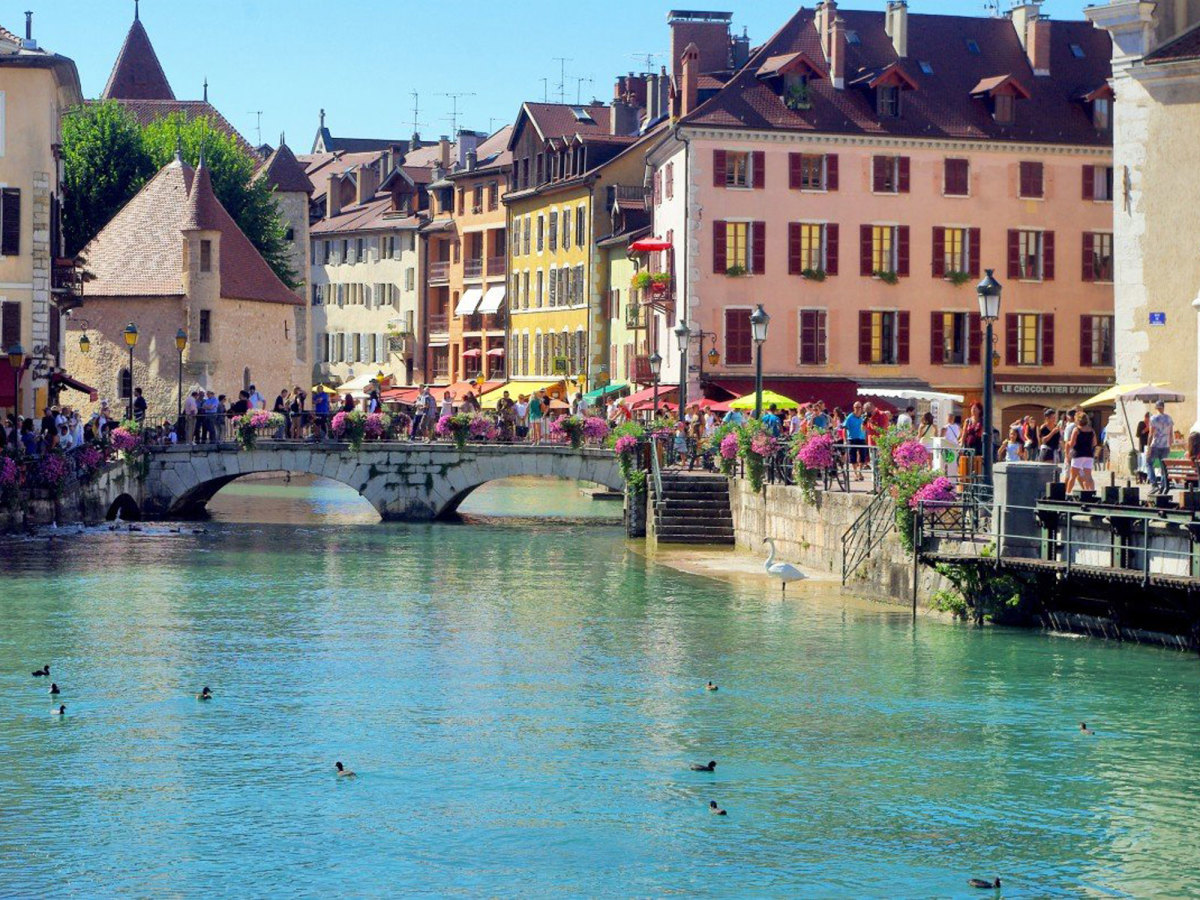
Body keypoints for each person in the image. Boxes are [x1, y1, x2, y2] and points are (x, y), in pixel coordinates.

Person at [1148, 400, 1175, 494]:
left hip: (1155, 445)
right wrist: (1170, 445)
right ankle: (1163, 486)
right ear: (1163, 407)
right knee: (1164, 467)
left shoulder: (1153, 418)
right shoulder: (1169, 418)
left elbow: (1151, 434)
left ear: (1156, 408)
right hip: (1165, 445)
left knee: (1149, 463)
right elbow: (1171, 434)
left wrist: (1148, 447)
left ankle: (1154, 484)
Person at [1067, 411, 1097, 492]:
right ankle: (1092, 492)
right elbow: (1094, 443)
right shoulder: (1091, 430)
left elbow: (1072, 444)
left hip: (1078, 455)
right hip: (1089, 455)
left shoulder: (1076, 430)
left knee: (1073, 477)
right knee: (1089, 477)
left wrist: (1068, 443)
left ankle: (1067, 493)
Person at [843, 401, 868, 481]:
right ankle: (856, 473)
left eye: (859, 407)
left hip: (861, 439)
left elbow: (866, 428)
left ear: (861, 408)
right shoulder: (849, 417)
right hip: (852, 439)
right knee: (853, 457)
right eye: (856, 407)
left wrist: (866, 438)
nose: (858, 409)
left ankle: (860, 472)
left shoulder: (863, 417)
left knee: (862, 457)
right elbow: (844, 428)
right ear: (853, 408)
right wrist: (845, 440)